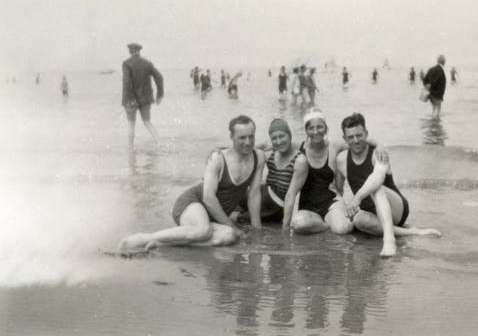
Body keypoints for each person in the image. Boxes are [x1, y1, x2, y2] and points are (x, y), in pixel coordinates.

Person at [118, 115, 265, 252]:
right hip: (193, 204)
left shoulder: (258, 156)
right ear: (231, 137)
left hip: (215, 218)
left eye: (251, 137)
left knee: (229, 236)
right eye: (242, 138)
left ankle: (162, 244)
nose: (248, 142)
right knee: (203, 230)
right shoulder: (218, 158)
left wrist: (257, 230)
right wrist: (231, 224)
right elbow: (208, 198)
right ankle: (144, 238)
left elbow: (254, 194)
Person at [335, 113, 441, 256]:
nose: (356, 140)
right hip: (372, 212)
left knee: (375, 187)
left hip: (395, 208)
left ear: (366, 134)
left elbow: (378, 178)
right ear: (345, 139)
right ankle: (412, 232)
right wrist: (342, 214)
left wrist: (357, 198)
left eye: (359, 135)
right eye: (350, 137)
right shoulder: (341, 160)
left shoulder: (378, 153)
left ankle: (389, 241)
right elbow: (339, 191)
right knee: (358, 221)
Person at [282, 109, 352, 235]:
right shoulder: (299, 147)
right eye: (311, 128)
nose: (316, 132)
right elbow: (272, 145)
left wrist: (378, 144)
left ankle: (333, 221)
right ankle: (326, 225)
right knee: (298, 224)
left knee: (343, 229)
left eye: (320, 127)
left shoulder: (334, 146)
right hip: (308, 208)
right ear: (306, 130)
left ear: (326, 128)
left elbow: (357, 141)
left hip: (331, 203)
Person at [121, 42, 163, 148]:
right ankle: (159, 143)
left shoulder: (126, 63)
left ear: (130, 51)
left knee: (131, 124)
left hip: (131, 100)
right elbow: (159, 77)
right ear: (139, 51)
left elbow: (127, 82)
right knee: (147, 122)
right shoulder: (147, 63)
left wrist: (130, 99)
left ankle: (130, 149)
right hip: (145, 99)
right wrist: (159, 95)